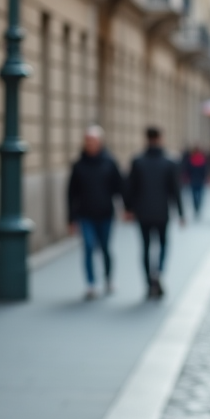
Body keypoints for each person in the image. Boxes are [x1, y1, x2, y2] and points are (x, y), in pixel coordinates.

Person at [67, 125, 126, 300]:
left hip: (105, 213)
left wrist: (126, 207)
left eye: (93, 141)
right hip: (85, 214)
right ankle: (91, 283)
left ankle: (108, 278)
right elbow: (71, 193)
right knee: (88, 248)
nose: (90, 144)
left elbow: (119, 186)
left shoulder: (109, 162)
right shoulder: (78, 165)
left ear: (100, 142)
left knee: (106, 248)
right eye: (87, 141)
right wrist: (71, 218)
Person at [125, 127, 185, 299]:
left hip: (142, 212)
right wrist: (180, 213)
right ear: (160, 138)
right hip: (162, 212)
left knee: (145, 247)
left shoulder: (137, 161)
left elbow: (130, 187)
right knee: (163, 245)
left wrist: (128, 209)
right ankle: (158, 273)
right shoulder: (169, 162)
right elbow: (175, 190)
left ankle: (148, 281)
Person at [182, 144, 209, 219]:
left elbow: (187, 169)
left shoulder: (191, 159)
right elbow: (205, 169)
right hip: (200, 179)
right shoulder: (202, 159)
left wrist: (187, 177)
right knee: (200, 194)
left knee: (194, 194)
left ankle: (196, 206)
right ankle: (198, 206)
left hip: (193, 179)